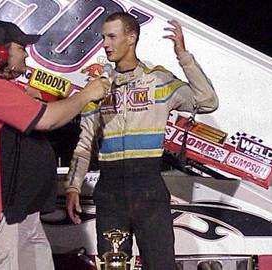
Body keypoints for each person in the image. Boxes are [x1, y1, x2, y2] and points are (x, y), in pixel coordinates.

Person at [0, 20, 109, 270]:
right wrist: (86, 94)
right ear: (0, 51)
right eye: (21, 48)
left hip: (19, 215)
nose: (26, 55)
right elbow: (46, 119)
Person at [64, 12, 218, 270]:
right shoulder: (97, 86)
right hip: (110, 192)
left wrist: (183, 55)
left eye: (112, 36)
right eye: (103, 37)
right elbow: (84, 142)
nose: (105, 44)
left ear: (131, 38)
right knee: (113, 267)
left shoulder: (158, 81)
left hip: (149, 189)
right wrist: (73, 186)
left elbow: (207, 100)